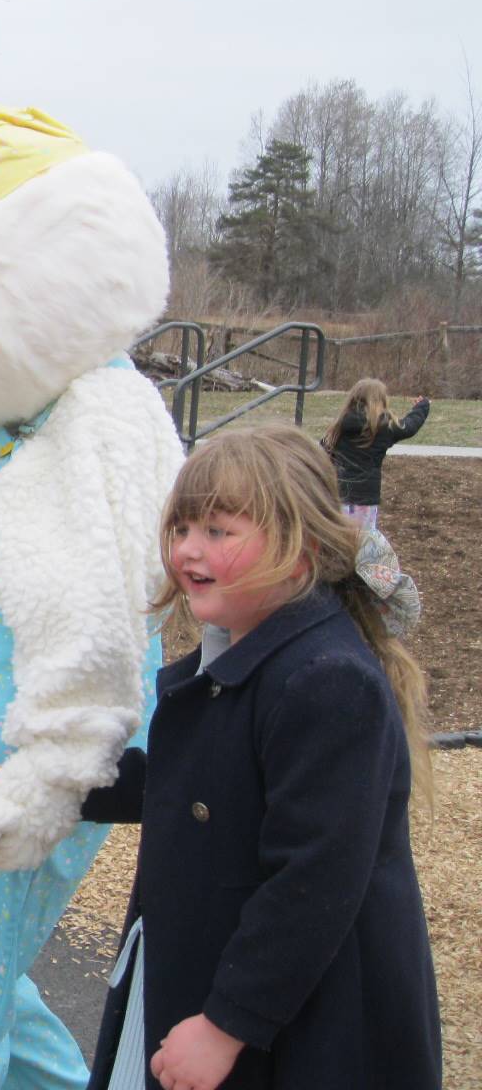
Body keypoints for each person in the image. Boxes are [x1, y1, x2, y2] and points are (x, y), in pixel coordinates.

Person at [72, 423, 441, 1090]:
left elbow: (315, 880)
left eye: (219, 531)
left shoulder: (327, 681)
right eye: (183, 528)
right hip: (219, 977)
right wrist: (66, 784)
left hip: (301, 1025)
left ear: (301, 550)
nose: (187, 550)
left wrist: (226, 1024)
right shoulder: (242, 654)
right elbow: (189, 781)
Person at [321, 377, 429, 528]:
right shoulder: (383, 427)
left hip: (339, 494)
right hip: (365, 498)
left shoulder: (339, 425)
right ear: (381, 401)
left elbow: (322, 453)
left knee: (341, 536)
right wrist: (422, 407)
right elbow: (410, 426)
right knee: (364, 538)